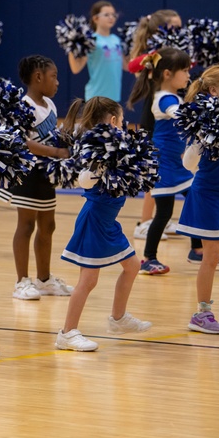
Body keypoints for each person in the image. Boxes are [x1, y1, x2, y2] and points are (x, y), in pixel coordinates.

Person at [56, 97, 153, 352]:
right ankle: (67, 333)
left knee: (132, 266)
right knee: (88, 281)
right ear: (113, 121)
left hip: (109, 222)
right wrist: (98, 168)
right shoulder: (94, 149)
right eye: (122, 121)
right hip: (94, 221)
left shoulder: (116, 148)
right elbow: (84, 180)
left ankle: (118, 318)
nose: (124, 125)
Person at [0, 55, 73, 300]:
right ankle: (22, 282)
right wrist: (56, 151)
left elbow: (52, 136)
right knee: (26, 225)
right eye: (54, 76)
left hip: (45, 174)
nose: (58, 82)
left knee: (48, 225)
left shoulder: (50, 105)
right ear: (38, 77)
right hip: (27, 173)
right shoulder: (23, 104)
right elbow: (22, 141)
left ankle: (44, 279)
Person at [125, 48, 203, 274]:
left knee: (194, 201)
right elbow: (179, 114)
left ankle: (197, 250)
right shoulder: (163, 99)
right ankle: (148, 258)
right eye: (185, 70)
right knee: (164, 213)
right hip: (164, 165)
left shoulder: (171, 96)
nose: (189, 75)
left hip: (175, 164)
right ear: (168, 74)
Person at [176, 65, 219, 334]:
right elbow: (188, 162)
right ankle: (201, 313)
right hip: (209, 195)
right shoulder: (205, 124)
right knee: (212, 256)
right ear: (214, 91)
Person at [127, 9, 182, 240]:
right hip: (155, 114)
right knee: (155, 171)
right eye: (175, 27)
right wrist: (160, 53)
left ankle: (162, 218)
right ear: (161, 30)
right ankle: (144, 222)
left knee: (168, 170)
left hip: (170, 115)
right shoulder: (153, 55)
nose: (180, 31)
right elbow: (133, 66)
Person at [68, 0, 125, 102]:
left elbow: (126, 66)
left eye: (113, 14)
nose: (111, 17)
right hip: (96, 97)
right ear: (95, 18)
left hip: (114, 97)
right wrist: (71, 45)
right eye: (106, 14)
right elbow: (76, 68)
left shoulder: (117, 40)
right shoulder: (91, 40)